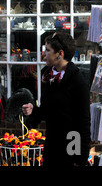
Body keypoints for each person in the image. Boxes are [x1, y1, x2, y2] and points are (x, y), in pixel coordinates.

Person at [22, 32, 91, 166]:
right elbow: (47, 109)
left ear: (60, 53)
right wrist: (33, 111)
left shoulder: (77, 80)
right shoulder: (47, 75)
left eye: (48, 50)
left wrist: (79, 159)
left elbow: (83, 123)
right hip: (52, 145)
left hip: (70, 145)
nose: (44, 54)